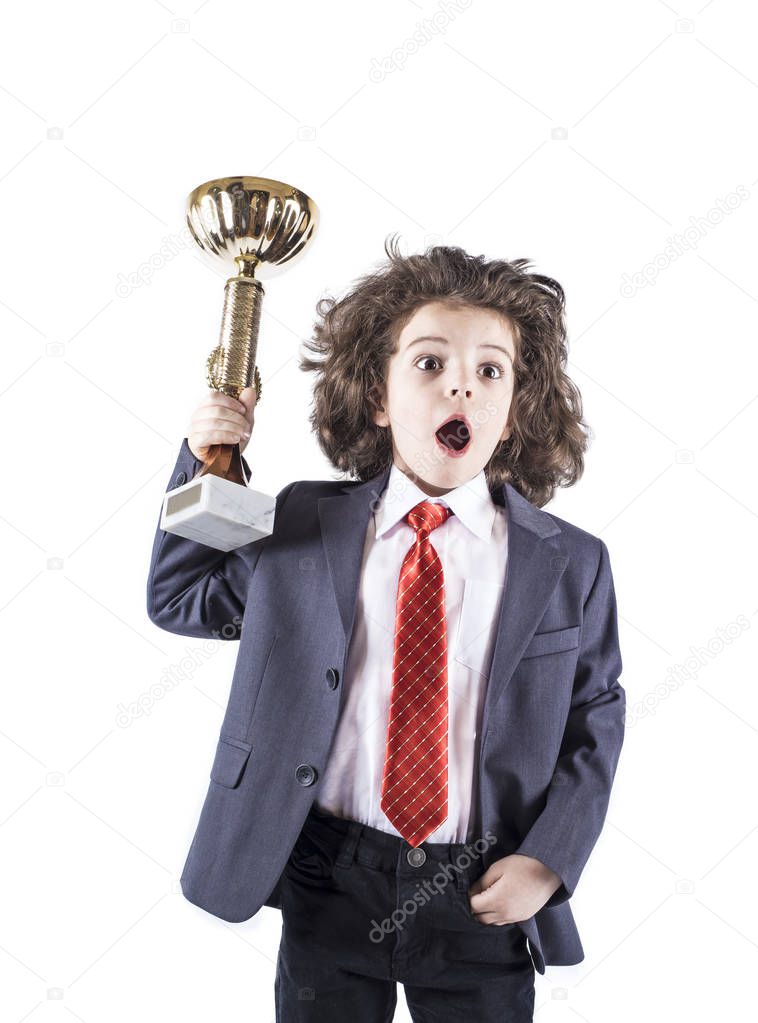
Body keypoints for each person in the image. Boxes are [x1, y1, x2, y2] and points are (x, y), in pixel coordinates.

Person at [146, 238, 626, 1022]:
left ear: (514, 410)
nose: (461, 388)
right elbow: (181, 595)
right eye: (431, 364)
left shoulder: (571, 561)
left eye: (490, 370)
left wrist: (548, 856)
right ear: (378, 395)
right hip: (327, 873)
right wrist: (207, 463)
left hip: (481, 887)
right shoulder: (305, 522)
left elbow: (596, 715)